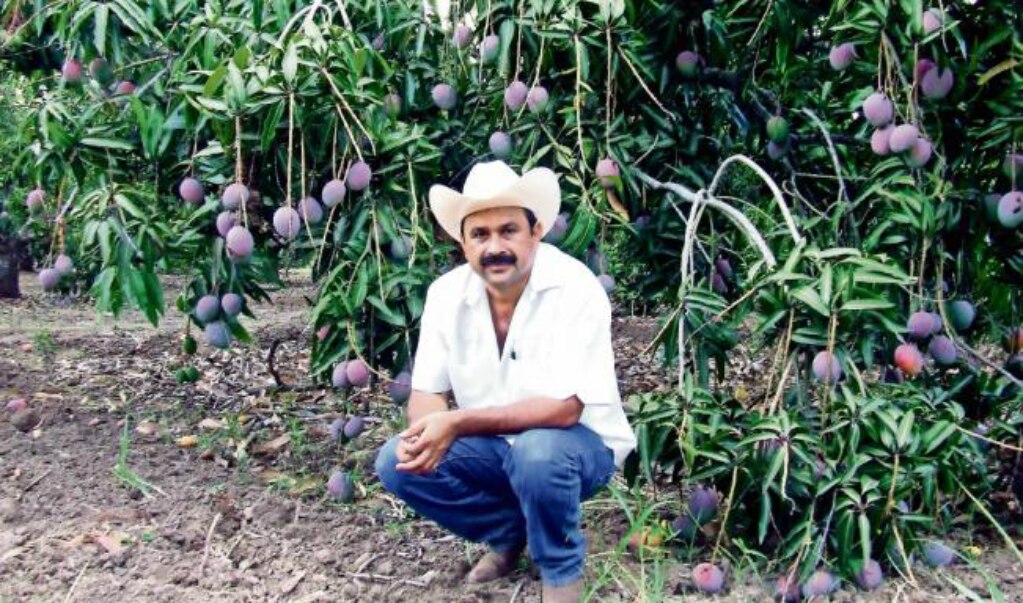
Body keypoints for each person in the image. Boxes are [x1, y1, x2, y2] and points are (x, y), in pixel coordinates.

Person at [374, 160, 636, 602]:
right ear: (462, 241)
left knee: (537, 452)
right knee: (396, 461)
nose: (495, 246)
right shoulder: (446, 295)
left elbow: (566, 409)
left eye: (508, 230)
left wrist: (456, 423)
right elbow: (426, 393)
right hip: (497, 448)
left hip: (577, 446)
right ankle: (509, 531)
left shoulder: (575, 288)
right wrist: (432, 429)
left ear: (535, 231)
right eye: (480, 234)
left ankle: (560, 571)